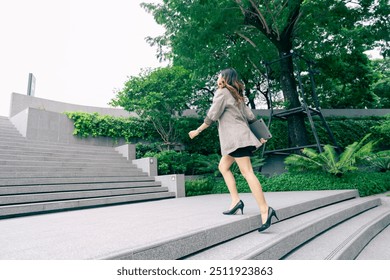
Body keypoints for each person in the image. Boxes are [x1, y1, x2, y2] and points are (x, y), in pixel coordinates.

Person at [188, 68, 278, 232]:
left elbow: (212, 115)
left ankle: (265, 210)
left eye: (219, 76)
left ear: (224, 78)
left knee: (247, 172)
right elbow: (250, 116)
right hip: (236, 140)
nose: (217, 78)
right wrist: (260, 135)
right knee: (223, 167)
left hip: (237, 139)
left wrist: (197, 131)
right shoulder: (237, 95)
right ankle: (236, 201)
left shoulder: (222, 93)